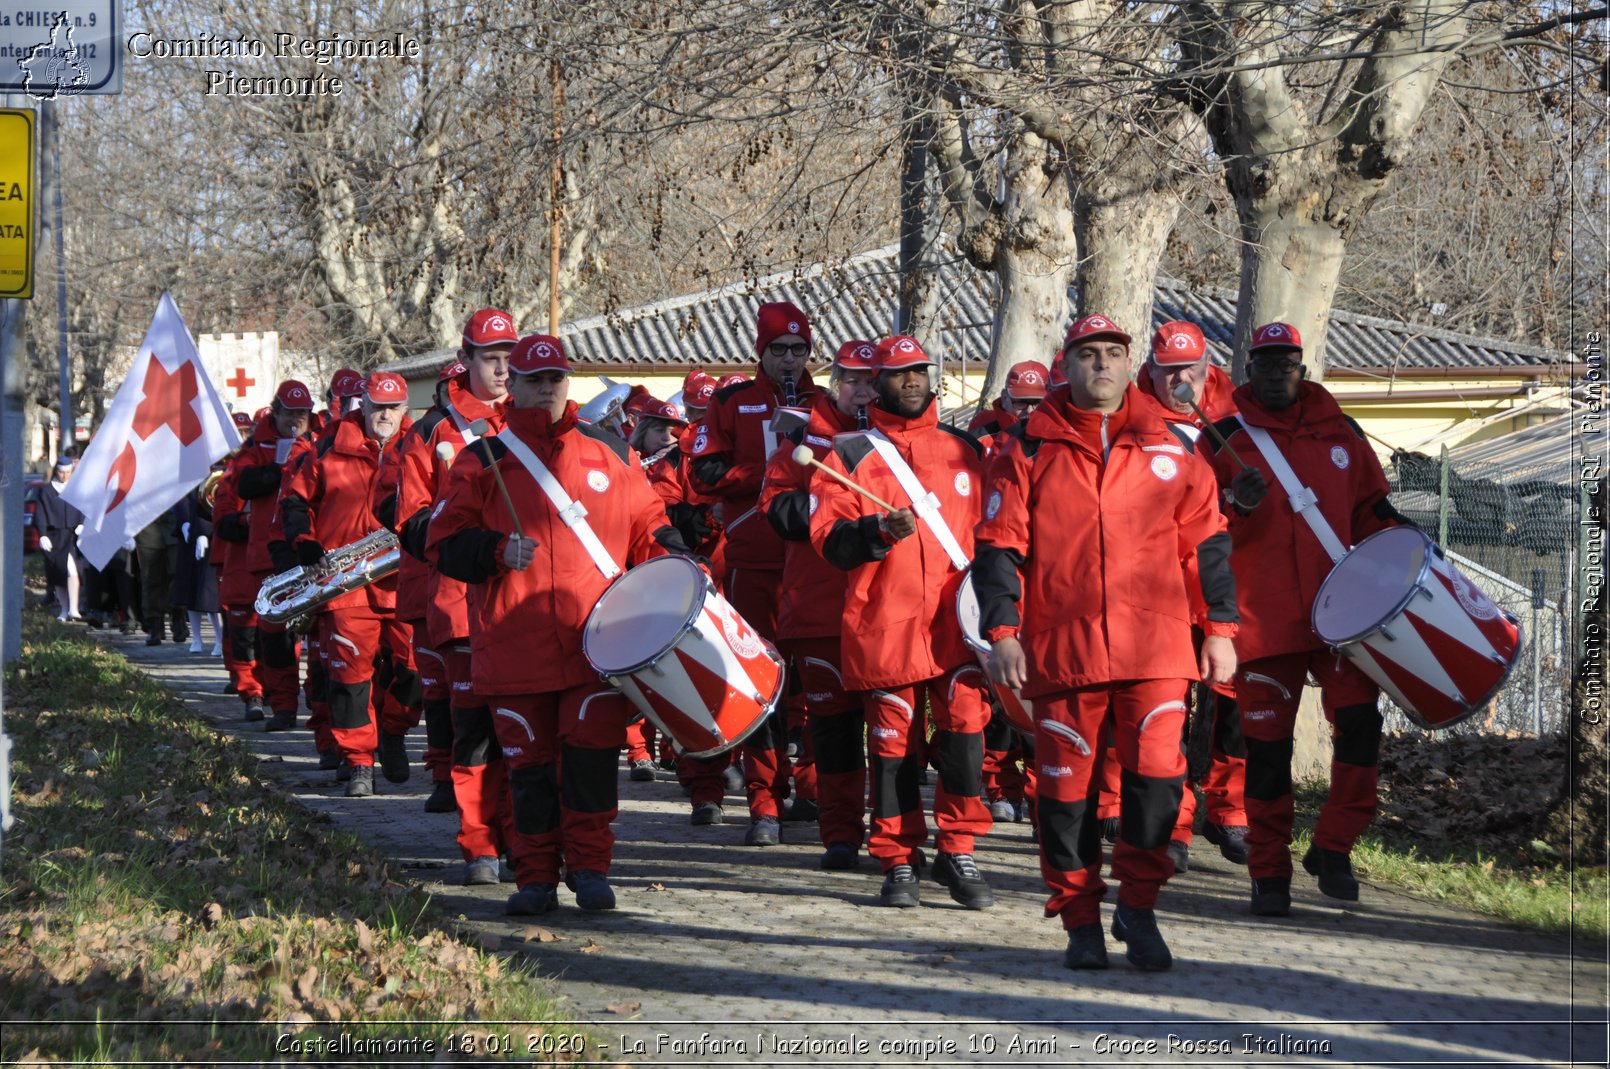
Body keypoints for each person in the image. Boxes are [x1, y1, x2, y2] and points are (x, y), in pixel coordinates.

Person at [973, 313, 1240, 971]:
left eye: (1112, 354)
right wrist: (1002, 632)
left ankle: (1139, 908)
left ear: (1130, 364)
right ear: (1067, 364)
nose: (1101, 365)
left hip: (1157, 651)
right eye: (1088, 354)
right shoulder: (1027, 448)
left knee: (1157, 786)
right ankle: (1081, 920)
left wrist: (1222, 631)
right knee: (1065, 800)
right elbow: (999, 548)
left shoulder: (1175, 447)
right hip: (1064, 655)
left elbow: (1207, 545)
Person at [428, 333, 690, 915]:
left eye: (555, 380)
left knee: (592, 762)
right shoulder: (482, 458)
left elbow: (648, 522)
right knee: (530, 771)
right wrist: (494, 550)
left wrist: (679, 558)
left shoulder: (610, 453)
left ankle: (592, 868)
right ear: (513, 385)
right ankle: (536, 877)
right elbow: (442, 542)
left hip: (595, 644)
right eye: (534, 380)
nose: (546, 390)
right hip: (513, 648)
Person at [1204, 322, 1411, 916]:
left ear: (1302, 365)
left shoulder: (1341, 430)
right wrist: (1232, 504)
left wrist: (1408, 543)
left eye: (1285, 363)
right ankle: (1269, 873)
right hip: (1264, 626)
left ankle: (1335, 846)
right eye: (1264, 365)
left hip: (1344, 619)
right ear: (1249, 369)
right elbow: (1196, 528)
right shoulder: (1220, 437)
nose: (1275, 374)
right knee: (1266, 756)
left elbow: (1371, 510)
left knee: (1361, 731)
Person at [809, 334, 995, 909]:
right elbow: (827, 542)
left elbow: (997, 534)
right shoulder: (847, 455)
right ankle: (897, 857)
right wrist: (874, 534)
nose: (911, 381)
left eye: (919, 371)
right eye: (898, 373)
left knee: (966, 741)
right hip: (885, 623)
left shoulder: (967, 451)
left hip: (956, 626)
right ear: (877, 384)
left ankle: (958, 848)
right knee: (892, 747)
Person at [395, 309, 522, 882]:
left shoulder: (537, 422)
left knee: (525, 733)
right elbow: (411, 522)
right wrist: (470, 545)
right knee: (474, 732)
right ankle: (480, 845)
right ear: (465, 360)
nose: (503, 369)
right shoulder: (430, 432)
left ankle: (529, 842)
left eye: (509, 358)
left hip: (531, 605)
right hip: (461, 603)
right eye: (491, 358)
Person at [689, 302, 820, 846]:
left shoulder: (827, 404)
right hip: (752, 560)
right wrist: (765, 471)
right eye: (779, 350)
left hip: (814, 564)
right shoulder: (731, 401)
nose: (789, 360)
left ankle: (812, 794)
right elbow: (703, 469)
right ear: (761, 353)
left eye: (799, 350)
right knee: (758, 682)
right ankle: (763, 803)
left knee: (814, 683)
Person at [761, 339, 878, 869]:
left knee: (893, 731)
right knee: (831, 728)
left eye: (872, 379)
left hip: (886, 611)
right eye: (852, 379)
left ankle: (899, 837)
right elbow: (778, 513)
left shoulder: (897, 439)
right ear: (835, 383)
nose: (863, 389)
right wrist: (831, 492)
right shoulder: (802, 441)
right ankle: (840, 831)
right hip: (821, 606)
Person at [279, 372, 414, 797]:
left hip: (405, 579)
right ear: (363, 405)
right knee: (350, 678)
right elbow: (296, 500)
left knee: (416, 671)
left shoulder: (421, 443)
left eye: (393, 407)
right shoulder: (327, 445)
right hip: (347, 583)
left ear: (405, 409)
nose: (385, 415)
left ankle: (392, 730)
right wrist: (305, 542)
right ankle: (359, 762)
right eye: (377, 406)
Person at [36, 454, 84, 622]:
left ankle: (73, 609)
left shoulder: (75, 489)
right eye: (62, 472)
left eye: (69, 472)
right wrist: (42, 534)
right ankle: (64, 610)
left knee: (71, 571)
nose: (66, 476)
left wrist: (81, 522)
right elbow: (40, 514)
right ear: (57, 471)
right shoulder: (47, 491)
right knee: (59, 574)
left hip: (71, 536)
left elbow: (83, 507)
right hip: (54, 536)